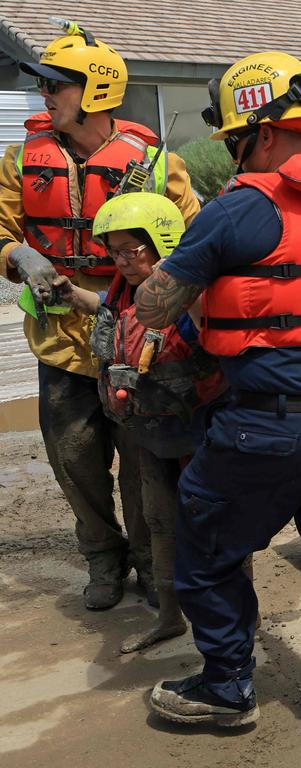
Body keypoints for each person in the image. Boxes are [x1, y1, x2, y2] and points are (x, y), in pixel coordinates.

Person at [136, 52, 301, 750]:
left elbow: (157, 309)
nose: (233, 155)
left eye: (234, 141)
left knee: (207, 551)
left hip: (265, 429)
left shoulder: (240, 208)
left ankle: (225, 687)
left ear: (263, 131)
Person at [0, 21, 200, 610]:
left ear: (94, 92)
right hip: (59, 344)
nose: (45, 95)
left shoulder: (161, 166)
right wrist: (19, 256)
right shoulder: (21, 162)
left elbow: (193, 247)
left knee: (145, 464)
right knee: (74, 461)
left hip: (136, 346)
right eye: (43, 85)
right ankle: (101, 558)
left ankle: (147, 557)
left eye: (56, 85)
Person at [54, 192, 226, 654]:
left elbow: (206, 334)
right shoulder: (123, 289)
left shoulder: (190, 294)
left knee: (214, 531)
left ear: (162, 243)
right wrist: (72, 295)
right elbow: (117, 316)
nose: (122, 261)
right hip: (149, 432)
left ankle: (231, 634)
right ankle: (170, 618)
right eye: (114, 252)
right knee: (158, 523)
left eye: (133, 251)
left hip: (197, 436)